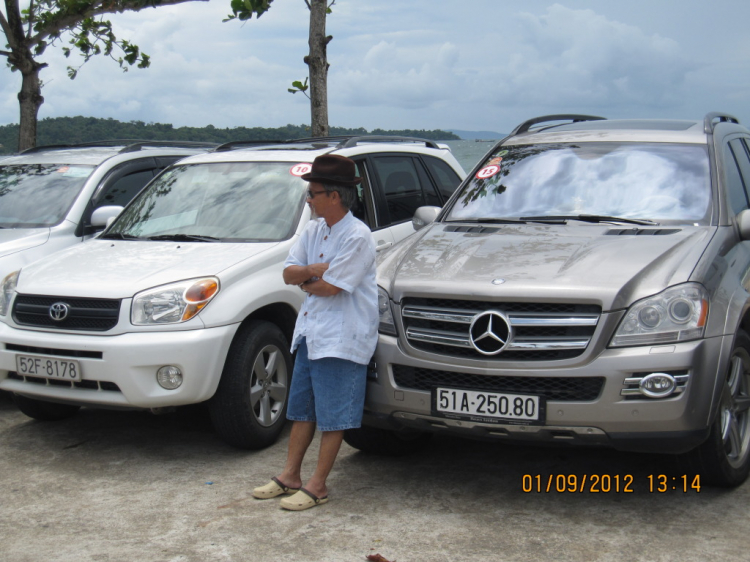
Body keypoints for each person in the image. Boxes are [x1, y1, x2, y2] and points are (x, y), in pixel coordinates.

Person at [252, 154, 378, 511]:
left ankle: (318, 484)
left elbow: (329, 289)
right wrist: (313, 271)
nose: (308, 198)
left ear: (334, 196)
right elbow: (289, 274)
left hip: (342, 337)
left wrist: (310, 278)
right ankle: (290, 475)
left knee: (334, 414)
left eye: (313, 192)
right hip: (311, 332)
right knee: (302, 409)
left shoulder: (358, 237)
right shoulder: (313, 229)